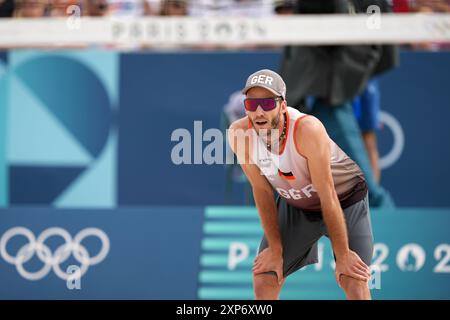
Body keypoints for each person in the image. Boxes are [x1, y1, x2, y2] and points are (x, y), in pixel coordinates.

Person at [228, 69, 373, 300]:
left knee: (353, 280)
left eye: (266, 103)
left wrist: (343, 254)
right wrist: (275, 249)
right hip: (297, 202)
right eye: (251, 104)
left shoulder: (307, 129)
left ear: (282, 105)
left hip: (344, 200)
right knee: (266, 276)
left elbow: (328, 194)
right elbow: (262, 189)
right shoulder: (238, 133)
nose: (258, 111)